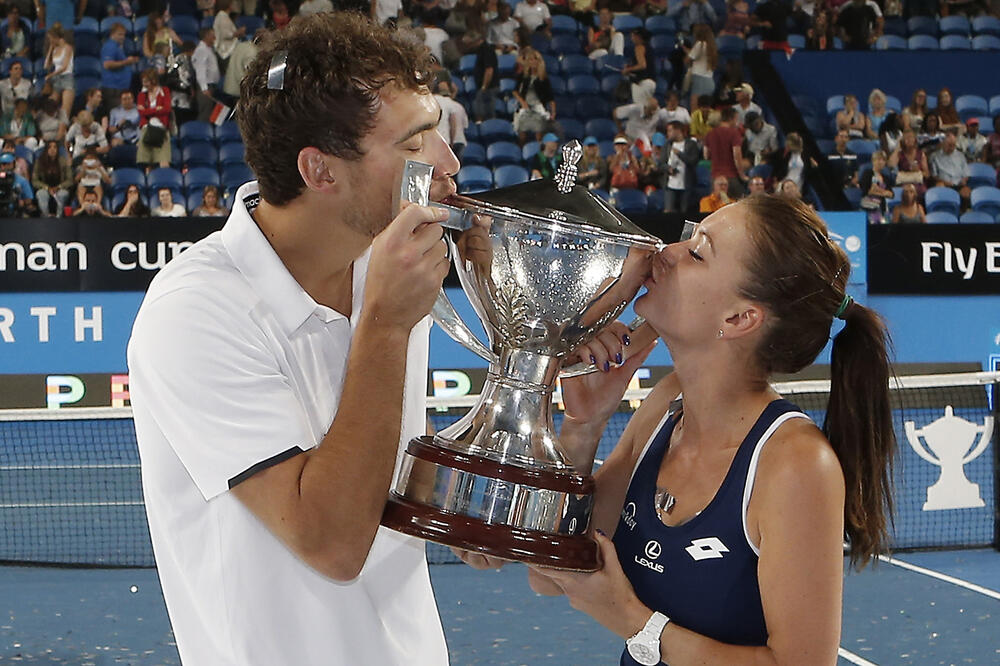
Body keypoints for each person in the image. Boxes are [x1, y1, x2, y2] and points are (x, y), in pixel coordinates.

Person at [126, 13, 458, 665]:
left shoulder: (384, 263)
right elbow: (331, 542)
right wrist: (385, 328)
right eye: (417, 144)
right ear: (322, 172)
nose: (447, 164)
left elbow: (386, 476)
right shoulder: (195, 310)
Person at [522, 195, 895, 666]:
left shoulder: (796, 464)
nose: (665, 251)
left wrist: (636, 624)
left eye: (698, 252)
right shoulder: (665, 405)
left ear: (740, 319)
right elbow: (548, 574)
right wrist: (584, 424)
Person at [512, 46, 556, 144]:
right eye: (530, 59)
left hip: (538, 107)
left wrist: (553, 112)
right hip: (525, 107)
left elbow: (550, 97)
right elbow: (515, 91)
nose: (533, 62)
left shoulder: (544, 79)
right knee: (521, 134)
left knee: (539, 134)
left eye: (535, 59)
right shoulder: (523, 76)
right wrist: (522, 102)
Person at [660, 120, 700, 213]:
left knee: (684, 213)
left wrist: (680, 154)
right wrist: (668, 168)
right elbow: (661, 164)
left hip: (686, 184)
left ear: (678, 130)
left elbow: (693, 161)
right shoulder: (667, 145)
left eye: (670, 130)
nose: (668, 133)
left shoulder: (691, 144)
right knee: (668, 211)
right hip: (670, 184)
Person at [136, 69, 172, 169]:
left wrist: (149, 111)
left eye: (146, 81)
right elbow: (141, 112)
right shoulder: (142, 95)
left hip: (161, 129)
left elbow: (167, 109)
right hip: (146, 128)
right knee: (147, 162)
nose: (144, 84)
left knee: (163, 160)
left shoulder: (164, 91)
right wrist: (157, 109)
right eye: (143, 81)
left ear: (153, 80)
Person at [101, 23, 140, 108]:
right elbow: (107, 64)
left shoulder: (118, 46)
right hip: (113, 88)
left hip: (120, 88)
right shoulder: (110, 46)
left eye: (123, 35)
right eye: (119, 34)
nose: (122, 37)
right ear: (112, 34)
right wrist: (126, 62)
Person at [32, 139, 72, 216]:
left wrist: (59, 187)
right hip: (44, 188)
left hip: (60, 188)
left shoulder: (63, 161)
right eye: (50, 147)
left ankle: (59, 217)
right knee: (41, 194)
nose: (52, 149)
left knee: (62, 195)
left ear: (57, 150)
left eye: (55, 147)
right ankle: (46, 217)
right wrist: (46, 188)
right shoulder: (39, 162)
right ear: (46, 149)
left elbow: (70, 180)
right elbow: (34, 180)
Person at [682, 24, 716, 111]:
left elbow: (687, 60)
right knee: (705, 110)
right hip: (709, 81)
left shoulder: (699, 44)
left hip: (699, 80)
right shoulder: (711, 46)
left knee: (695, 110)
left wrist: (687, 54)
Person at [43, 24, 74, 118]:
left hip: (67, 78)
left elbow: (64, 67)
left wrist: (51, 75)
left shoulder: (68, 48)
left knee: (64, 112)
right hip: (57, 79)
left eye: (50, 38)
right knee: (51, 106)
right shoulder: (55, 49)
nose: (50, 41)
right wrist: (50, 49)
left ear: (55, 37)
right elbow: (46, 66)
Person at [192, 27, 222, 123]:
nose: (214, 37)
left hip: (211, 86)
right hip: (206, 87)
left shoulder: (209, 49)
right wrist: (204, 88)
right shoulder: (201, 50)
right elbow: (200, 70)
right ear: (206, 36)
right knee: (205, 113)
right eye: (212, 35)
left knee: (212, 115)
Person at [860, 149, 894, 223]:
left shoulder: (886, 177)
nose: (880, 162)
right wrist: (884, 193)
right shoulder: (868, 173)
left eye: (883, 160)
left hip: (883, 207)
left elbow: (891, 194)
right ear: (873, 161)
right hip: (869, 206)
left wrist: (878, 191)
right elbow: (867, 191)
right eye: (878, 159)